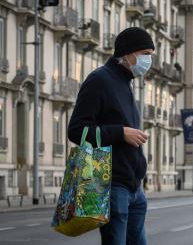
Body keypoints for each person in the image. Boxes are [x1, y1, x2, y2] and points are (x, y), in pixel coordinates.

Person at [68, 27, 154, 245]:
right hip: (112, 185)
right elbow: (77, 131)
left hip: (135, 187)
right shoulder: (99, 80)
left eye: (151, 55)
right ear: (128, 54)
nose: (149, 60)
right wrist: (120, 132)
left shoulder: (125, 82)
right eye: (145, 53)